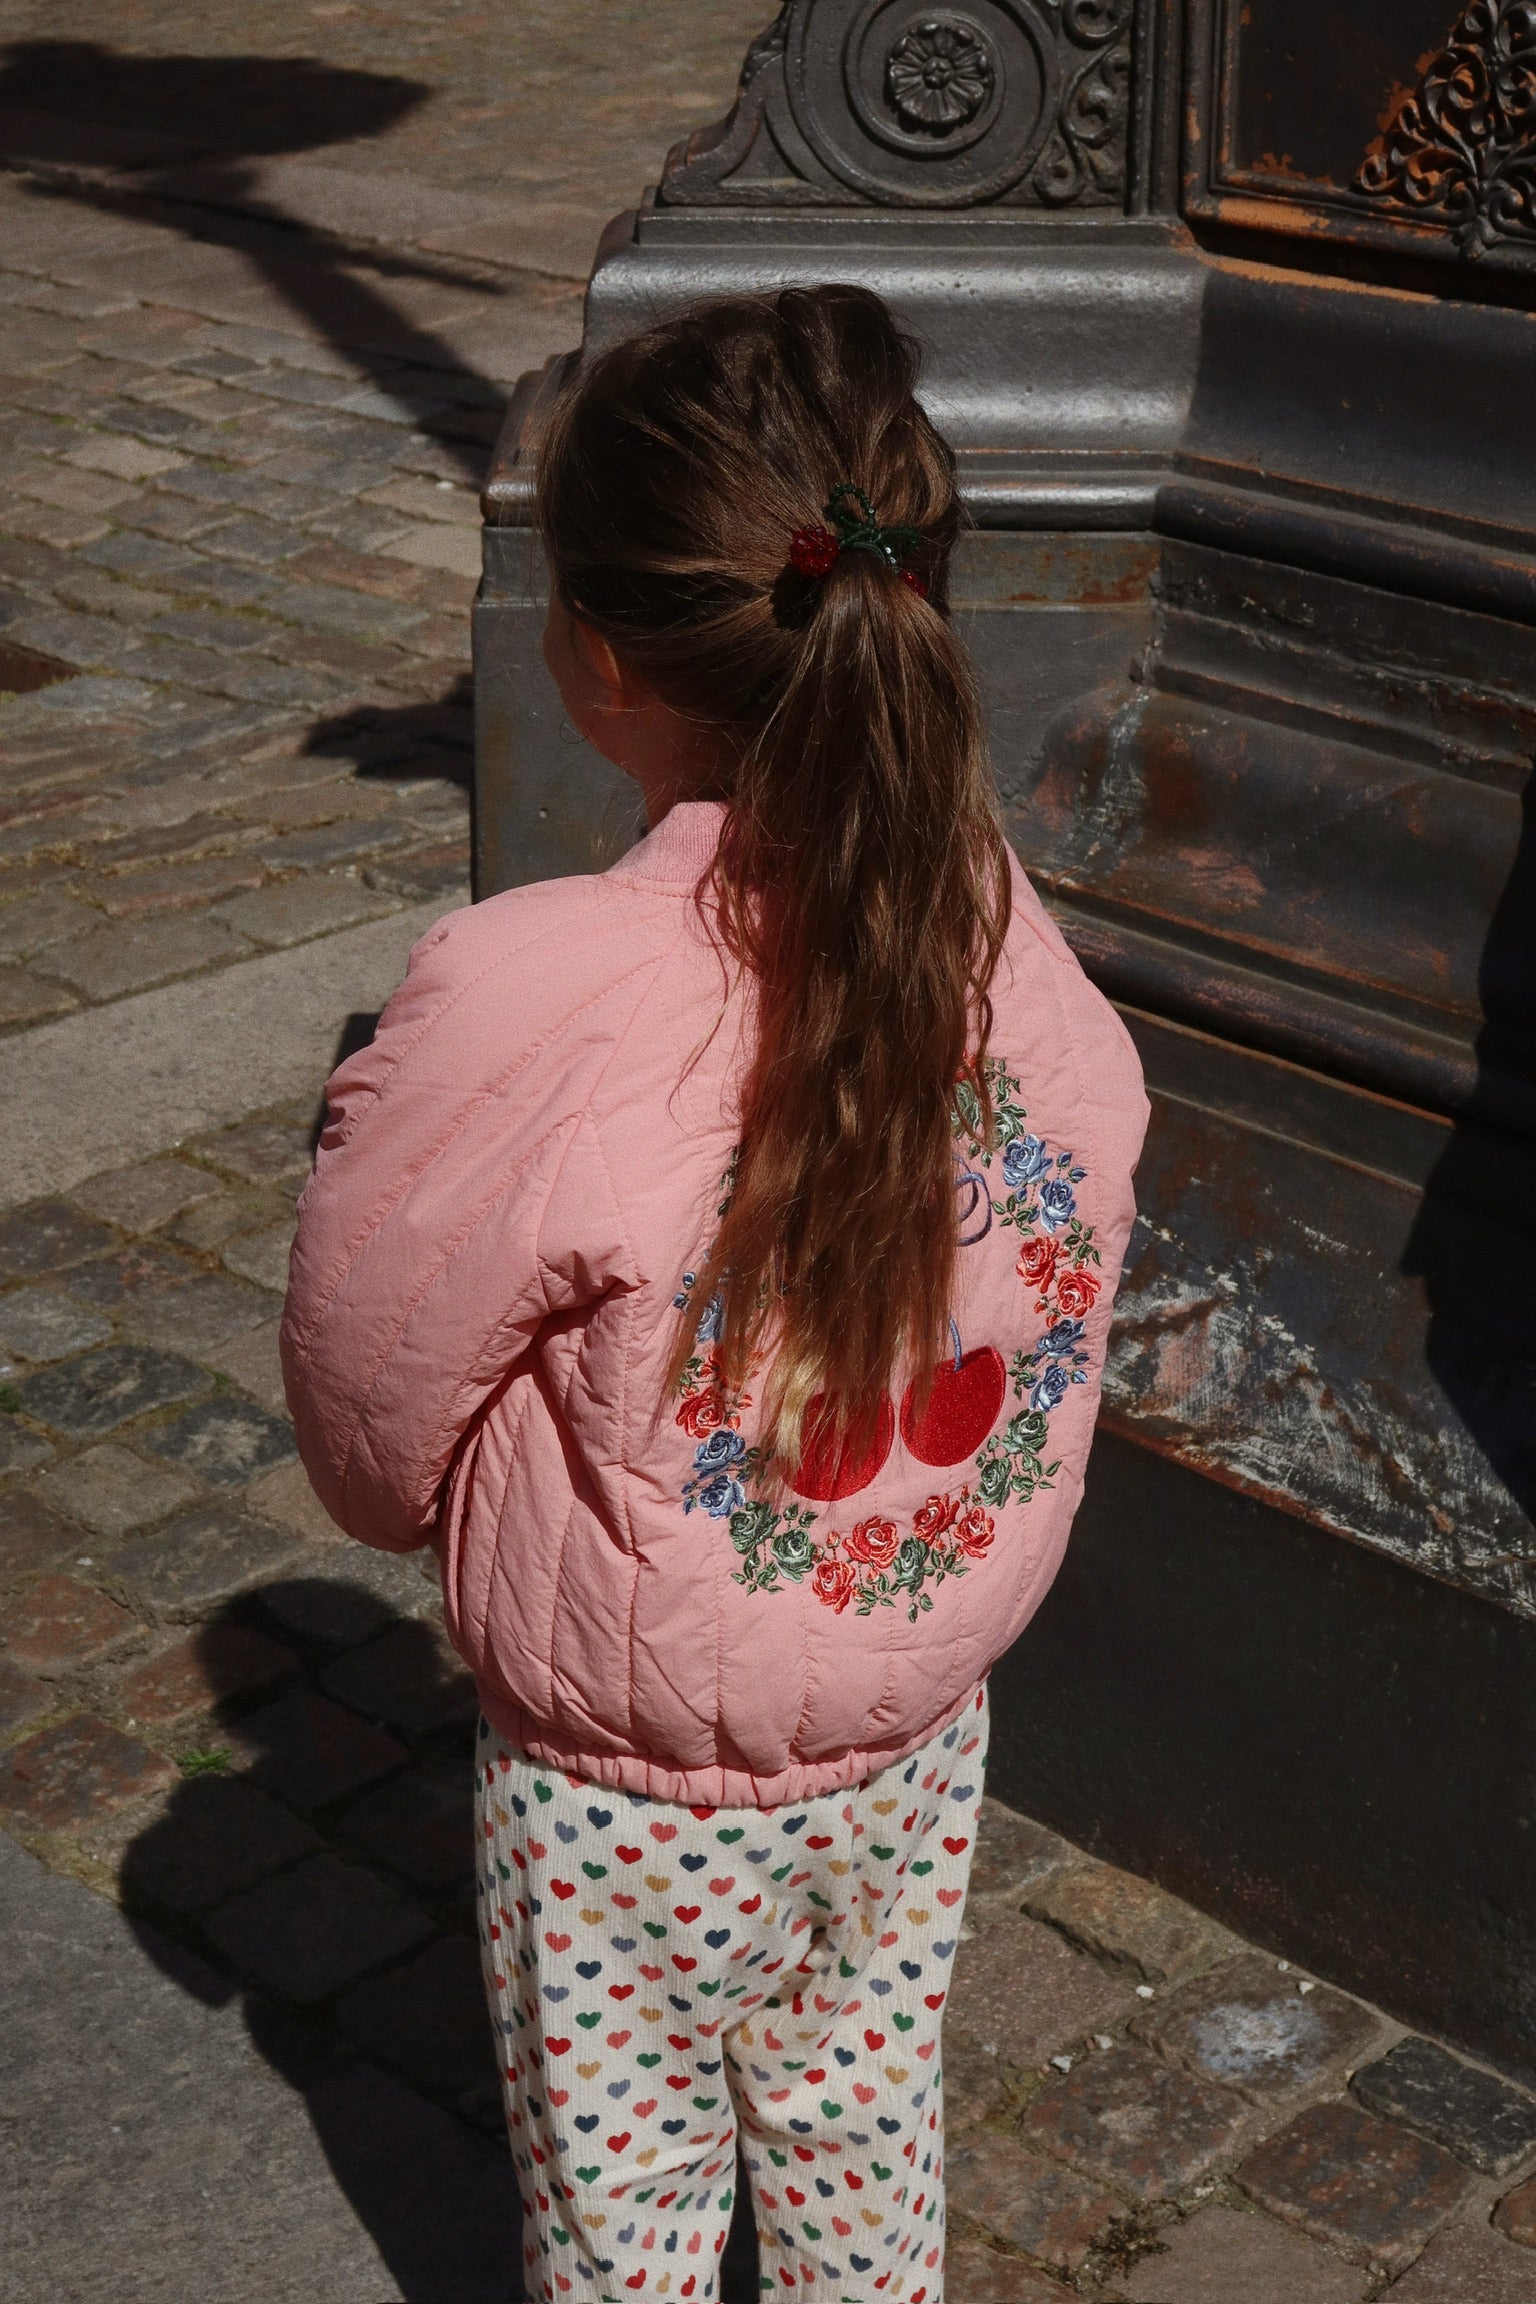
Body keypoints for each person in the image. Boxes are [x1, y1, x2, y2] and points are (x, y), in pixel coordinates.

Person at [281, 284, 1149, 2304]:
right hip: (920, 1724)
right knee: (860, 2135)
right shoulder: (994, 915)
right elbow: (1084, 1213)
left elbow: (367, 1399)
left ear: (592, 652)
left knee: (627, 2228)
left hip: (622, 1797)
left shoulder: (533, 986)